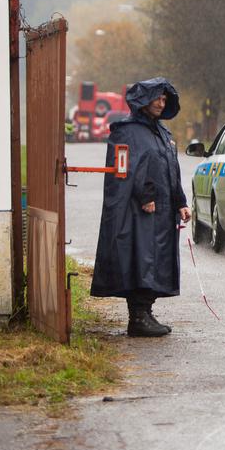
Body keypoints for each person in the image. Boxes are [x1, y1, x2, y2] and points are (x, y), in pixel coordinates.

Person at [91, 78, 191, 337]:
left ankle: (145, 312)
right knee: (140, 258)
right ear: (143, 100)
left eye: (164, 99)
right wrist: (145, 196)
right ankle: (137, 317)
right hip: (139, 211)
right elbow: (128, 168)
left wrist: (181, 202)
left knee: (157, 260)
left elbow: (171, 170)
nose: (161, 102)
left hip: (163, 211)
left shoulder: (163, 133)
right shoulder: (127, 130)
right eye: (157, 98)